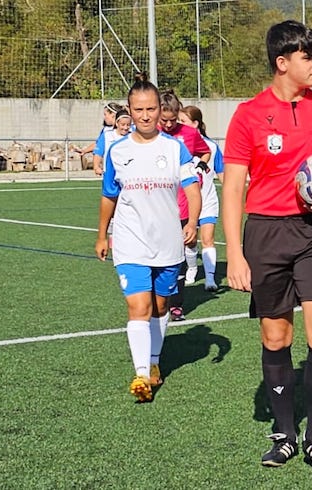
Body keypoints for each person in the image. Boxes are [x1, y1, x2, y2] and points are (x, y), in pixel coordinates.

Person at [221, 20, 312, 479]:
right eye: (307, 57)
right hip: (266, 233)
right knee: (276, 337)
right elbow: (233, 187)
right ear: (282, 63)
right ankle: (284, 434)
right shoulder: (248, 115)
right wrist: (235, 253)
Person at [95, 72, 202, 403]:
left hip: (167, 241)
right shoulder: (117, 151)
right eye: (139, 110)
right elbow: (109, 195)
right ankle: (142, 374)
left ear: (160, 110)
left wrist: (192, 221)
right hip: (129, 240)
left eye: (151, 109)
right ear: (129, 111)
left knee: (160, 305)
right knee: (138, 305)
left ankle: (154, 361)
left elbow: (192, 189)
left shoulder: (174, 148)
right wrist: (102, 234)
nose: (145, 116)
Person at [158, 90, 211, 322]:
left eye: (173, 120)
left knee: (177, 258)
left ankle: (176, 305)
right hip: (157, 206)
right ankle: (156, 302)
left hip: (182, 205)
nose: (169, 125)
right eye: (164, 120)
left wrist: (200, 165)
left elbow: (205, 152)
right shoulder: (149, 133)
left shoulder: (189, 133)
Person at [180, 105, 224, 292]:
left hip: (207, 200)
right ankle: (191, 269)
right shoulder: (178, 145)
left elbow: (222, 173)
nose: (179, 124)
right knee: (189, 240)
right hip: (187, 202)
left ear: (195, 124)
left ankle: (210, 279)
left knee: (208, 238)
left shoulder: (211, 147)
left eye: (183, 121)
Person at [83, 102, 124, 175]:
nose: (104, 117)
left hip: (126, 170)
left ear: (113, 115)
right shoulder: (106, 131)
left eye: (105, 114)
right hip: (110, 172)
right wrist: (96, 166)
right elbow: (99, 148)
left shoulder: (130, 129)